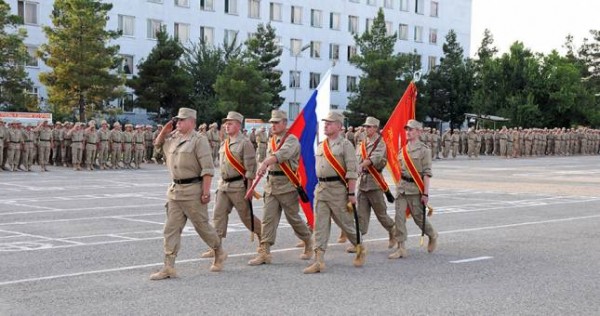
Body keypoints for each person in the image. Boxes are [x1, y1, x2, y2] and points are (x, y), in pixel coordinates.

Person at [150, 107, 227, 280]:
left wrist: (206, 192)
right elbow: (156, 147)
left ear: (192, 122)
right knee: (170, 229)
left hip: (193, 191)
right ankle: (169, 267)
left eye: (182, 120)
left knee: (203, 228)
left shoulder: (199, 140)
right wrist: (164, 131)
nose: (178, 122)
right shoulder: (173, 139)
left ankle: (218, 251)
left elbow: (207, 169)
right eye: (177, 119)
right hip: (175, 191)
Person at [247, 110, 313, 266]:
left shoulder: (292, 140)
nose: (273, 125)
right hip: (271, 185)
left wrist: (265, 163)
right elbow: (269, 158)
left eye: (276, 122)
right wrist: (263, 166)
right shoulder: (272, 139)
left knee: (293, 219)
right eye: (272, 122)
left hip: (287, 185)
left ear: (285, 123)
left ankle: (308, 241)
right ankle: (265, 252)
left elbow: (281, 155)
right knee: (268, 220)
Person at [304, 111, 365, 274]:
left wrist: (352, 194)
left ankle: (359, 246)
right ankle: (319, 260)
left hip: (338, 190)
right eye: (325, 123)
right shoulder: (321, 145)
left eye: (330, 123)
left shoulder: (346, 145)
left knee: (346, 223)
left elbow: (352, 171)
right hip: (321, 189)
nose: (326, 125)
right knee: (320, 226)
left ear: (339, 126)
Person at [200, 111, 261, 258]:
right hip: (223, 185)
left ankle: (264, 237)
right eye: (226, 123)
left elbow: (251, 169)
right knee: (218, 215)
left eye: (230, 123)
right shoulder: (225, 142)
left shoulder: (245, 143)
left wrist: (250, 189)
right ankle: (216, 247)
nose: (227, 126)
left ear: (239, 125)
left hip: (238, 185)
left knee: (246, 217)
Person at [389, 119, 437, 259]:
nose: (408, 132)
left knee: (418, 218)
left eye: (411, 130)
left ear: (418, 132)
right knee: (399, 217)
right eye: (407, 130)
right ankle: (401, 247)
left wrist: (425, 193)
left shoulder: (424, 150)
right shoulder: (403, 149)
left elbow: (427, 173)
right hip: (402, 188)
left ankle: (432, 234)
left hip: (415, 189)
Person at [351, 116, 396, 252]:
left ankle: (393, 231)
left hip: (374, 183)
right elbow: (356, 158)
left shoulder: (381, 143)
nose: (366, 128)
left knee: (381, 214)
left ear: (376, 128)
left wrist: (361, 165)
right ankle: (358, 242)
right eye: (365, 126)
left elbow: (375, 158)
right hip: (363, 182)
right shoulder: (362, 142)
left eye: (369, 126)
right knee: (360, 215)